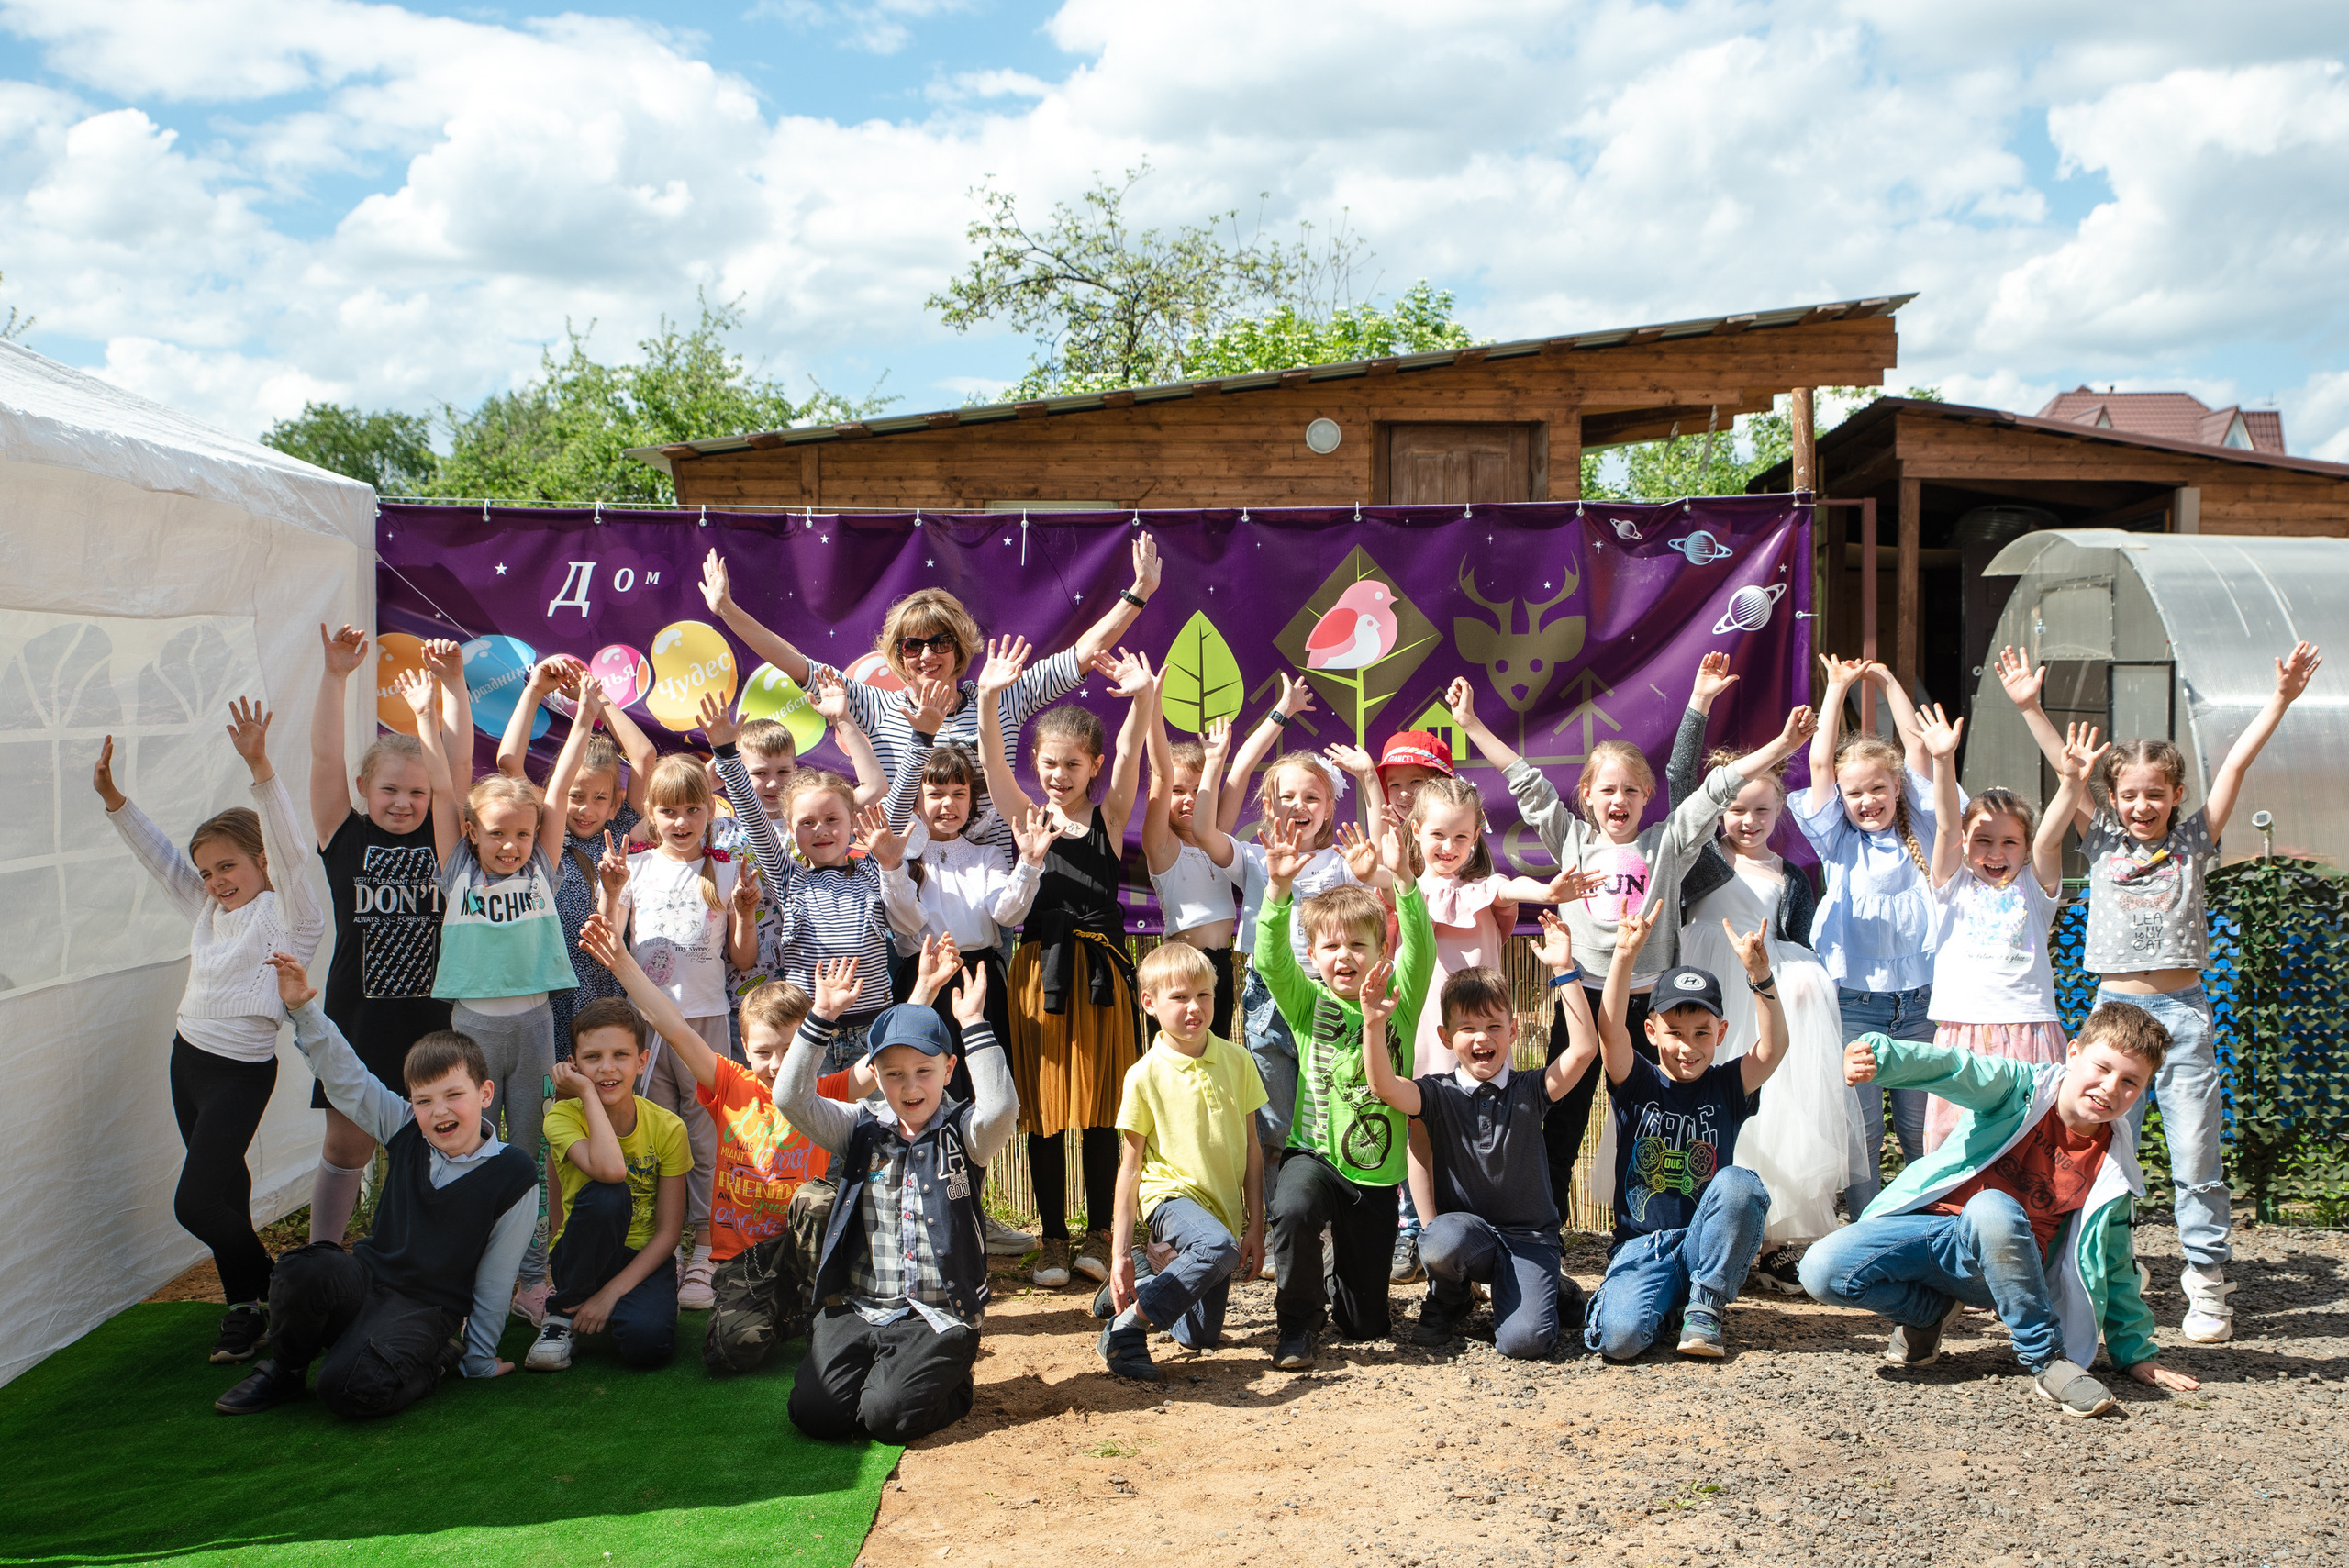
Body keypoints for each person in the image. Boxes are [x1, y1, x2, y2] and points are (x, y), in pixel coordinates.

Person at [1998, 639, 2322, 1345]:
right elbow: (2068, 771)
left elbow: (2234, 763)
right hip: (2115, 1018)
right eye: (2130, 793)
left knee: (2195, 1154)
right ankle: (2115, 1268)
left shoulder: (2195, 839)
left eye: (2156, 792)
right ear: (2113, 800)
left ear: (2176, 796)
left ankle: (2206, 1283)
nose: (2142, 803)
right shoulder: (2103, 840)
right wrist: (2030, 708)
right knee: (2107, 1149)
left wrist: (2282, 698)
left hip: (2181, 1016)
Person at [1449, 677, 1808, 1231]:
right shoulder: (1570, 839)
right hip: (1582, 1002)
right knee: (1562, 1119)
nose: (1620, 801)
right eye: (1608, 790)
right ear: (1588, 795)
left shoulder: (1667, 842)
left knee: (1647, 1122)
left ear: (1647, 798)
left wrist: (1781, 747)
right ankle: (1544, 1230)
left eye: (1632, 791)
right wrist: (1471, 725)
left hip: (1650, 1009)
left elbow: (1716, 790)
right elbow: (1524, 779)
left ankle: (1642, 1228)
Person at [1798, 1005, 2203, 1418]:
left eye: (2131, 1082)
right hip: (1930, 1233)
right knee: (1822, 1269)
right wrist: (1882, 1057)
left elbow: (2115, 1266)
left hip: (2000, 1269)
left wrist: (2135, 1353)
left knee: (1991, 1207)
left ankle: (2047, 1360)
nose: (2111, 1087)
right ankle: (1929, 1313)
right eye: (2103, 1067)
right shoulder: (2021, 1090)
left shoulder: (2114, 1166)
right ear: (2074, 1051)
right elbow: (1959, 1068)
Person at [97, 699, 327, 1364]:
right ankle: (243, 1310)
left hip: (240, 1070)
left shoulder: (289, 916)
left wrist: (260, 766)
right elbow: (162, 860)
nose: (214, 880)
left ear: (259, 862)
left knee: (195, 1202)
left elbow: (288, 846)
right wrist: (116, 801)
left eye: (227, 865)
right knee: (228, 1192)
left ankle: (281, 1284)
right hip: (187, 1061)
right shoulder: (207, 911)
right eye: (208, 870)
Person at [214, 954, 540, 1417]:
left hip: (426, 1309)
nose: (439, 1112)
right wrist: (304, 1011)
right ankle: (284, 1372)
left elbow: (495, 1277)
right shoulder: (405, 1126)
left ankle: (436, 1360)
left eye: (454, 1095)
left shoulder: (515, 1173)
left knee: (347, 1388)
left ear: (485, 1094)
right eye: (424, 1100)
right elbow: (348, 1078)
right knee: (303, 1268)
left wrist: (479, 1357)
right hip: (366, 1281)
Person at [577, 913, 889, 1373]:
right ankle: (778, 1317)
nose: (778, 1063)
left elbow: (882, 1061)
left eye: (790, 1048)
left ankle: (822, 1306)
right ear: (744, 1049)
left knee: (818, 1199)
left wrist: (923, 987)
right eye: (764, 1051)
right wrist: (623, 961)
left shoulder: (826, 1093)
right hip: (743, 1260)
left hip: (803, 1252)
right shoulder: (730, 1085)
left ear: (813, 1045)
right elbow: (674, 1028)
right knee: (732, 1353)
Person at [698, 533, 1162, 803]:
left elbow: (1082, 653)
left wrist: (1138, 592)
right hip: (904, 894)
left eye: (939, 641)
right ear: (897, 656)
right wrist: (726, 611)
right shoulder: (873, 705)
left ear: (959, 647)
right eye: (912, 644)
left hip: (987, 896)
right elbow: (794, 663)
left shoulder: (1000, 696)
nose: (927, 654)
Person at [405, 667, 595, 1314]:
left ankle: (533, 1278)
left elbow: (562, 788)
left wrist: (586, 713)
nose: (510, 844)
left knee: (530, 1154)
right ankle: (464, 1270)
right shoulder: (456, 863)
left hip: (534, 1026)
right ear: (472, 831)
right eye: (496, 832)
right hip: (474, 1033)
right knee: (469, 1151)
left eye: (521, 831)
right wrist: (425, 717)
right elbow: (438, 786)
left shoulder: (543, 861)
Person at [778, 957, 1018, 1445]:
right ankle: (884, 1367)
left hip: (938, 1313)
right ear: (876, 1075)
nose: (910, 1086)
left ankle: (951, 1383)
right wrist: (820, 1018)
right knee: (815, 1413)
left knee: (886, 1418)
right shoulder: (859, 1127)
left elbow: (1001, 1108)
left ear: (949, 1068)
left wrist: (973, 1025)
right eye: (893, 1074)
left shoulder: (966, 1133)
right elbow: (790, 1098)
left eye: (924, 1071)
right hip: (863, 1305)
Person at [977, 636, 1155, 1289]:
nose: (1058, 776)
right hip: (1039, 977)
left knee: (1106, 1108)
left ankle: (1101, 1233)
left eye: (1071, 765)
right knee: (1046, 1110)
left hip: (1104, 979)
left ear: (1092, 765)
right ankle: (1052, 1239)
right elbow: (993, 763)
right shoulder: (1026, 817)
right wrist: (993, 697)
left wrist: (1143, 699)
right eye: (1049, 764)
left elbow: (1134, 752)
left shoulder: (1109, 814)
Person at [1357, 920, 1601, 1360]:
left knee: (1525, 1344)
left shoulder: (1531, 1089)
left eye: (1493, 1025)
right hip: (1469, 1235)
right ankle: (1452, 1297)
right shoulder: (1436, 1092)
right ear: (1446, 1037)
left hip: (1529, 1237)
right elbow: (1385, 1088)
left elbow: (1583, 1050)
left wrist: (1565, 970)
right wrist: (1373, 1025)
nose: (1482, 1037)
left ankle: (1553, 1287)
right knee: (1438, 1242)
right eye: (1468, 1028)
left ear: (1511, 1031)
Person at [306, 628, 467, 1249]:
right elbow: (323, 759)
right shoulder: (343, 835)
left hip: (432, 1020)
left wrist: (453, 683)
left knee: (434, 1143)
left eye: (416, 792)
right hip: (358, 1018)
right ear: (363, 790)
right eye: (390, 790)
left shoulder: (442, 836)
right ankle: (323, 1257)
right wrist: (335, 676)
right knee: (347, 1143)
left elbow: (456, 763)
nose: (403, 802)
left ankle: (418, 1259)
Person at [1671, 740, 1848, 1287]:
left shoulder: (1791, 876)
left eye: (1762, 809)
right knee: (1710, 1105)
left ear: (1780, 810)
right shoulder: (1701, 858)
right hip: (1709, 996)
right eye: (1737, 808)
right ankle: (1701, 1226)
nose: (1748, 820)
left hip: (1762, 992)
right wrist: (1699, 703)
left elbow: (1797, 940)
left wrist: (1798, 983)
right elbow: (1680, 782)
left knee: (1772, 1112)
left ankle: (1765, 1239)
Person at [1256, 810, 1428, 1369]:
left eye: (1358, 944)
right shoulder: (1307, 1004)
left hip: (1373, 1173)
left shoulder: (1397, 998)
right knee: (1293, 1205)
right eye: (1330, 948)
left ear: (1380, 950)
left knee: (1365, 1325)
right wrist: (1278, 890)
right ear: (1314, 958)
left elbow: (1421, 946)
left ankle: (1337, 1283)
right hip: (1316, 1154)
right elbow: (1269, 960)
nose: (1344, 956)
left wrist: (1402, 882)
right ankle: (1297, 1324)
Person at [595, 747, 759, 1314]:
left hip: (707, 1021)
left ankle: (706, 1253)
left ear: (709, 812)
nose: (682, 822)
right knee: (650, 1137)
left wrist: (744, 911)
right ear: (650, 813)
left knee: (705, 1137)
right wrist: (612, 892)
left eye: (693, 809)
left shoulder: (729, 870)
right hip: (643, 1027)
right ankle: (655, 1251)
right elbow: (607, 948)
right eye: (670, 811)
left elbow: (743, 956)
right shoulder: (632, 868)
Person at [1209, 678, 1369, 1252]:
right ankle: (1277, 1229)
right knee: (1271, 1119)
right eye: (1284, 796)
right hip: (1267, 999)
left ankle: (1324, 1225)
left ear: (1331, 807)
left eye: (1312, 797)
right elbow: (1207, 827)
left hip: (1330, 1000)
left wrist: (1371, 779)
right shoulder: (1254, 857)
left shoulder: (1343, 861)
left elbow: (1381, 863)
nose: (1297, 807)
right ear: (1266, 804)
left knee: (1329, 1111)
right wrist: (1275, 716)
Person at [1585, 910, 1785, 1361]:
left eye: (1701, 1033)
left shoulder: (1728, 1086)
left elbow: (1773, 1049)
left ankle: (1706, 1305)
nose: (1687, 1046)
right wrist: (1623, 957)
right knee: (1618, 1341)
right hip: (1643, 1246)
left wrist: (1760, 975)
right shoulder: (1636, 1081)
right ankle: (1666, 1301)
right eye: (1674, 1032)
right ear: (1652, 1031)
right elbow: (1609, 1029)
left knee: (1740, 1184)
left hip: (1701, 1241)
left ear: (1721, 1033)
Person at [1796, 656, 1951, 1212]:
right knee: (1862, 1136)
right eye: (1854, 793)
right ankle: (1866, 1230)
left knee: (1921, 1130)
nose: (1867, 801)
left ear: (1897, 788)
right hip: (1855, 1003)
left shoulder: (1924, 824)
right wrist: (1836, 690)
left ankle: (1926, 1225)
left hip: (1921, 1003)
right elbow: (1819, 764)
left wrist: (1888, 684)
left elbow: (1915, 749)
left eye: (1877, 789)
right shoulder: (1838, 842)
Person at [1097, 942, 1269, 1383]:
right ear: (1150, 1003)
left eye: (1204, 995)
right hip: (1169, 1196)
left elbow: (1252, 1146)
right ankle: (1125, 1330)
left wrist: (1254, 1224)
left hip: (1222, 1211)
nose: (1194, 1007)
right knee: (1215, 1248)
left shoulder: (1238, 1060)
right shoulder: (1143, 1075)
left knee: (1199, 1337)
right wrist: (1118, 1256)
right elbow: (1130, 1169)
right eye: (1179, 997)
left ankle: (1153, 1280)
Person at [1916, 705, 2076, 1152]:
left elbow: (2051, 837)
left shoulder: (2035, 883)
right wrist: (1943, 760)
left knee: (2030, 1138)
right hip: (1963, 1029)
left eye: (2009, 841)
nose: (1996, 851)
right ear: (1966, 845)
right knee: (1959, 1145)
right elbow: (1948, 824)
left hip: (2029, 1027)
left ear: (2025, 848)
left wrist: (2073, 782)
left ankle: (2029, 1220)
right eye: (1984, 839)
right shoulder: (1951, 883)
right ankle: (1958, 1219)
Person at [709, 697, 895, 1072]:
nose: (821, 829)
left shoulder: (873, 867)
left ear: (850, 823)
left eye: (831, 820)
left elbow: (891, 794)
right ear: (793, 830)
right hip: (795, 1017)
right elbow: (746, 812)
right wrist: (725, 753)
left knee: (870, 1126)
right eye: (808, 823)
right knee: (804, 1118)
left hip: (869, 1023)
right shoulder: (785, 872)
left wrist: (919, 736)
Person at [492, 653, 655, 1060]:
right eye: (575, 796)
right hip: (555, 993)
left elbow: (645, 757)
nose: (585, 808)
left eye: (599, 798)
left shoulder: (621, 830)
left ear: (615, 803)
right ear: (557, 794)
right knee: (560, 1095)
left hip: (610, 991)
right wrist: (533, 691)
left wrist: (597, 701)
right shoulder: (546, 831)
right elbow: (509, 762)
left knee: (610, 1089)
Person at [523, 996, 691, 1372]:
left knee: (647, 1347)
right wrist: (584, 1093)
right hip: (582, 1254)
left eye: (620, 1055)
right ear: (574, 1065)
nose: (607, 1068)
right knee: (609, 1195)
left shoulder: (668, 1128)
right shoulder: (561, 1118)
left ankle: (619, 1304)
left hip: (641, 1257)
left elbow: (668, 1233)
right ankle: (563, 1313)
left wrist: (612, 1293)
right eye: (593, 1058)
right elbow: (612, 1171)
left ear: (641, 1061)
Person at [1141, 713, 1243, 1040]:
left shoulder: (1218, 837)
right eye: (1178, 790)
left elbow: (1241, 768)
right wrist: (1151, 704)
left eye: (1199, 790)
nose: (1189, 799)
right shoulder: (1162, 846)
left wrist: (1282, 711)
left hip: (1223, 968)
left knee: (1219, 1062)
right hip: (1183, 969)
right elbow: (1160, 771)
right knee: (1178, 1068)